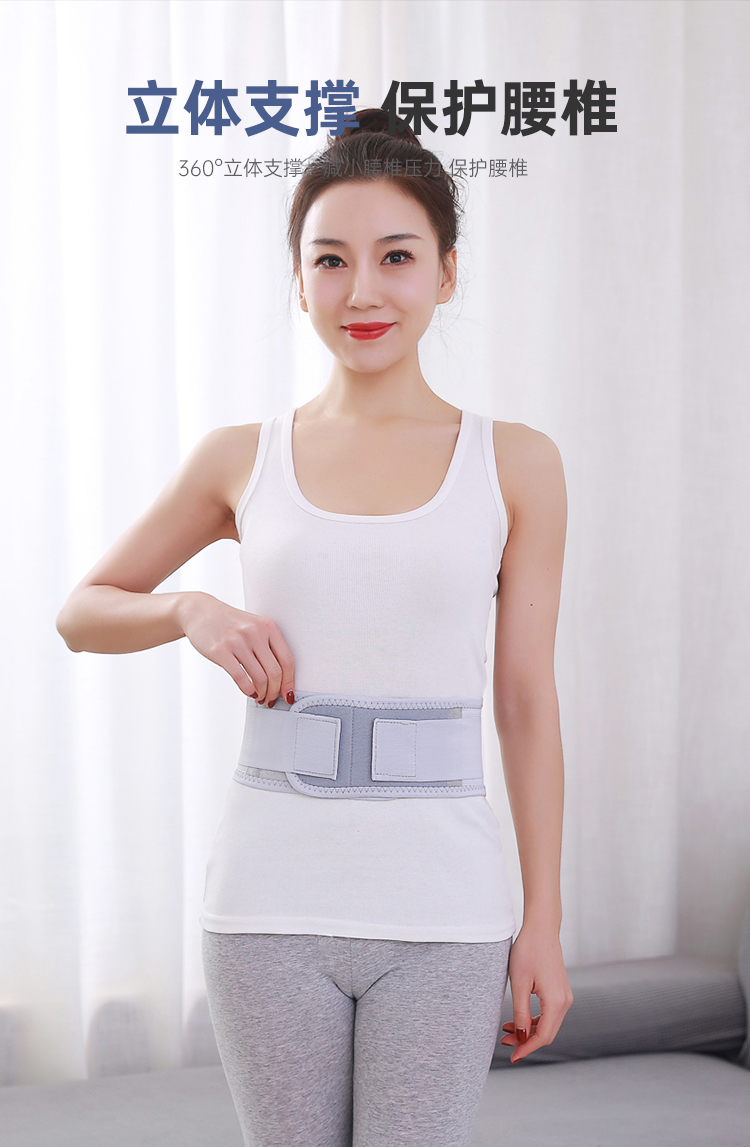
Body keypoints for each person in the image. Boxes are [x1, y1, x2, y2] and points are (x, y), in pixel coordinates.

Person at [57, 107, 573, 1147]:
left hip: (445, 908)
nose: (362, 291)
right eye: (330, 260)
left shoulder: (517, 462)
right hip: (268, 905)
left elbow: (524, 701)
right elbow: (82, 611)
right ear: (299, 281)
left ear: (448, 272)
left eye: (397, 256)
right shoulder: (240, 457)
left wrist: (545, 926)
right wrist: (191, 609)